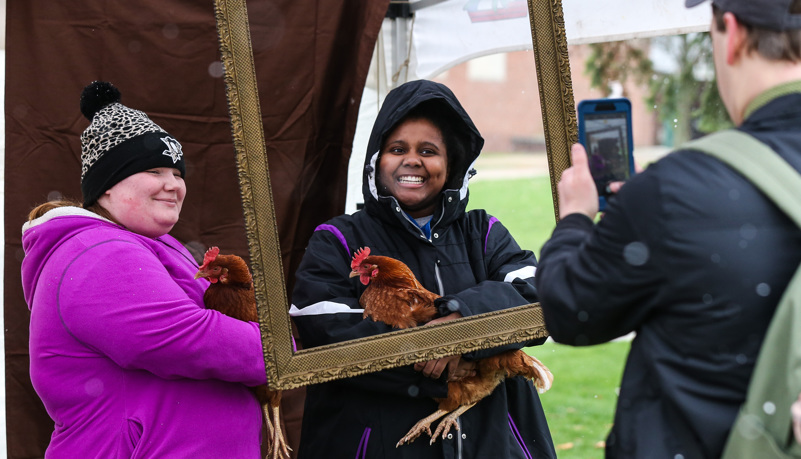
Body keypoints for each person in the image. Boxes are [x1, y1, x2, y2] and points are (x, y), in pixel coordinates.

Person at [534, 0, 801, 457]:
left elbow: (571, 311)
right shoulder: (669, 195)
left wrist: (577, 219)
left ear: (731, 34)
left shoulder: (674, 191)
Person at [289, 79, 556, 459]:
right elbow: (327, 332)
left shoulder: (483, 232)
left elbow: (538, 298)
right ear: (376, 161)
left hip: (494, 443)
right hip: (381, 443)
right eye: (397, 149)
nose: (412, 160)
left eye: (428, 151)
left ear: (451, 165)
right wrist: (442, 353)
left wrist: (460, 321)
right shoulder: (337, 238)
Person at [20, 81, 268, 458]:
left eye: (178, 173)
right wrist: (278, 349)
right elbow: (187, 339)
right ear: (106, 188)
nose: (173, 185)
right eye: (154, 170)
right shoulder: (98, 252)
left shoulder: (145, 244)